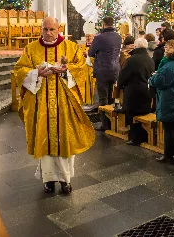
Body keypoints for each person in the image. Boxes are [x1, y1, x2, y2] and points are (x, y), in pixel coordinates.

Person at [14, 17, 95, 194]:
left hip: (64, 104)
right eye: (45, 29)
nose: (49, 33)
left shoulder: (71, 47)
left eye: (52, 29)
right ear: (41, 29)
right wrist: (37, 73)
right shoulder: (31, 49)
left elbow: (83, 69)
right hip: (41, 104)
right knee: (44, 140)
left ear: (58, 29)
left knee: (65, 139)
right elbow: (19, 71)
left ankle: (65, 180)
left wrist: (67, 71)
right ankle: (48, 179)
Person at [149, 40, 174, 164]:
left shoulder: (171, 65)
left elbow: (160, 81)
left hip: (170, 99)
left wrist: (152, 78)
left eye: (168, 48)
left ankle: (168, 155)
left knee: (169, 128)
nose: (165, 50)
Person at [117, 38, 155, 146]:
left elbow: (124, 75)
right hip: (146, 91)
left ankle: (134, 138)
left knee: (131, 113)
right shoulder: (150, 59)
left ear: (135, 46)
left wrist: (119, 85)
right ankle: (143, 135)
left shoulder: (132, 60)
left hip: (133, 91)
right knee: (143, 112)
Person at [88, 17, 122, 131]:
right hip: (115, 70)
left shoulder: (99, 38)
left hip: (102, 70)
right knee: (112, 98)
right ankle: (113, 124)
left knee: (103, 98)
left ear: (103, 24)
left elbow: (91, 53)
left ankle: (105, 125)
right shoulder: (118, 37)